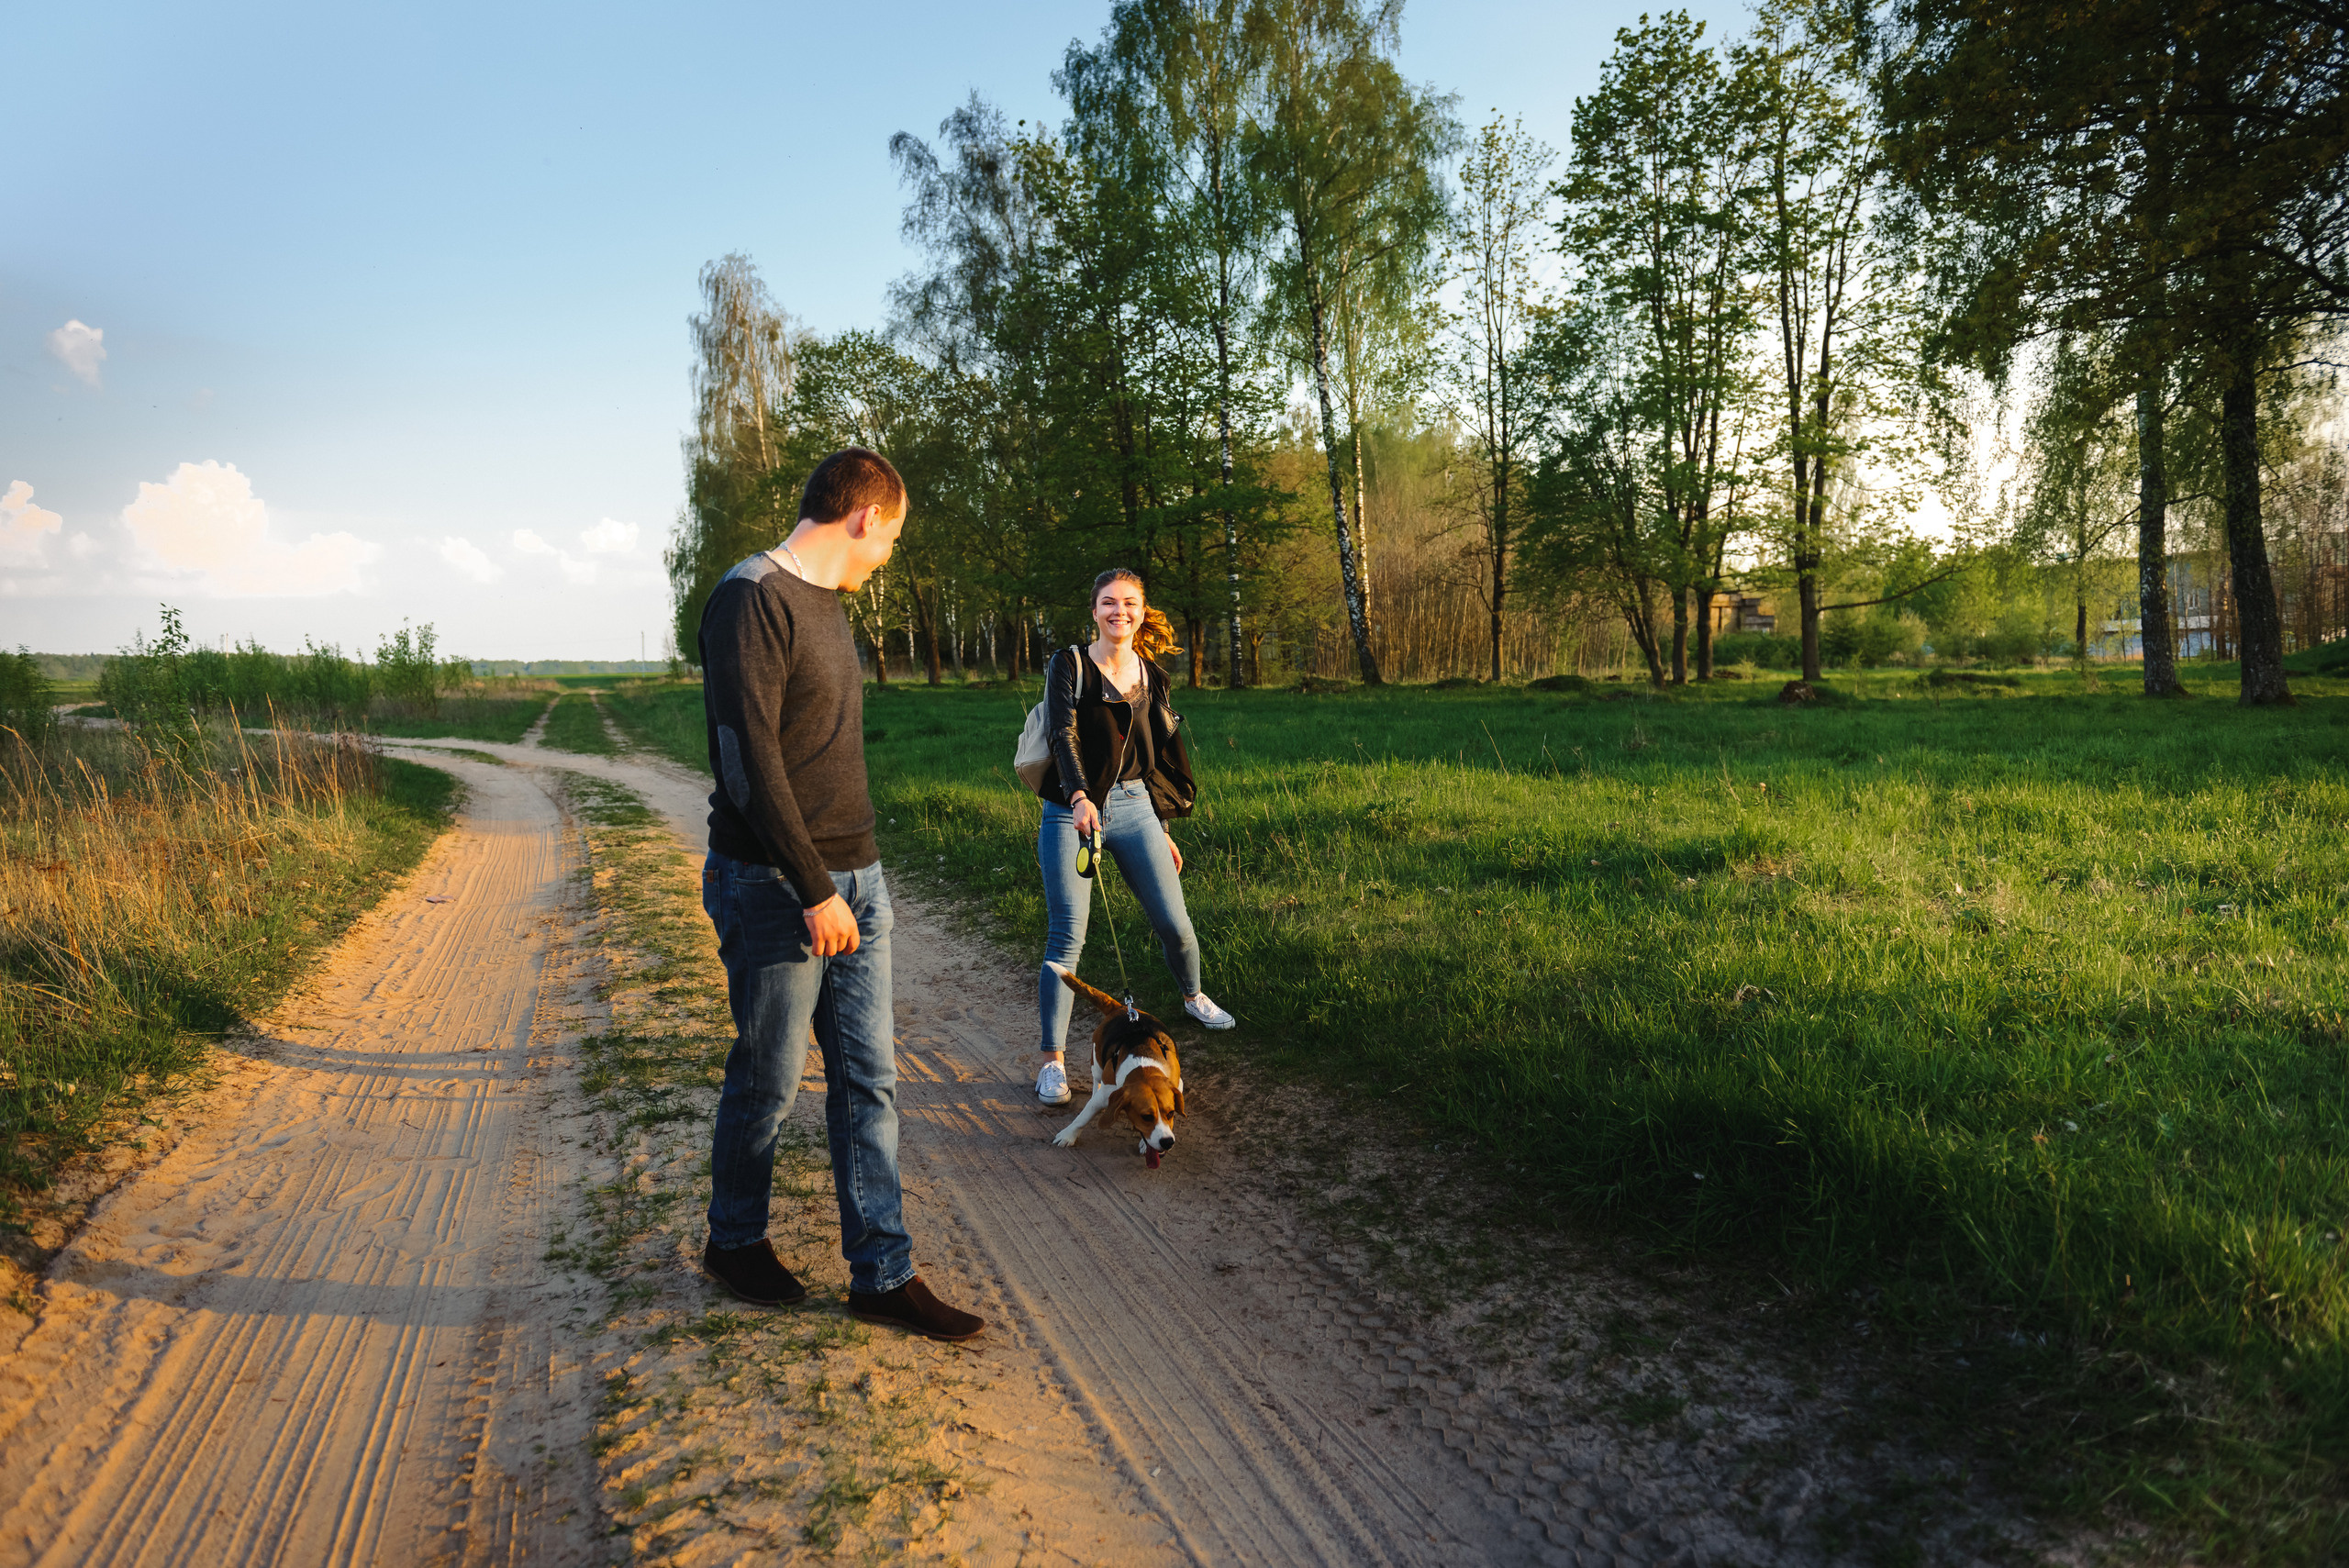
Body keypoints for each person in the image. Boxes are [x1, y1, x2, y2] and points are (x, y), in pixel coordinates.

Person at [696, 446, 983, 1342]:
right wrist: (815, 888)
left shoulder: (823, 604)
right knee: (772, 1077)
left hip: (860, 876)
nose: (888, 553)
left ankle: (881, 1273)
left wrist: (853, 878)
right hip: (780, 885)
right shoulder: (751, 598)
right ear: (865, 517)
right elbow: (749, 765)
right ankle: (734, 1238)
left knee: (869, 1079)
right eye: (892, 535)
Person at [1032, 568, 1235, 1108]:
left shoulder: (1153, 677)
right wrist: (1077, 798)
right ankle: (1052, 1062)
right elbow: (1062, 732)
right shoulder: (1070, 664)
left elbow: (1152, 760)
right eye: (1107, 603)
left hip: (1135, 807)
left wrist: (1163, 828)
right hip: (1068, 810)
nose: (1118, 612)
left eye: (1128, 603)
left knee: (1177, 925)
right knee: (1067, 938)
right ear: (1094, 612)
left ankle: (1192, 997)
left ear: (1141, 613)